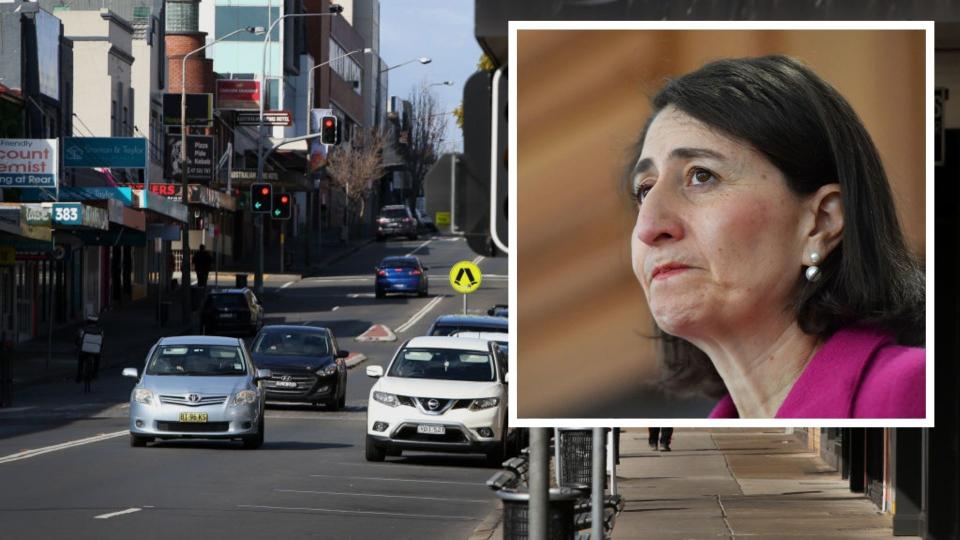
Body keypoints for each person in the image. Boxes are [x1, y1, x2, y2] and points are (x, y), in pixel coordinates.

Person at [626, 55, 925, 419]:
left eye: (701, 175)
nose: (647, 226)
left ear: (821, 223)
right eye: (644, 190)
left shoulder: (914, 391)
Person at [76, 315, 104, 390]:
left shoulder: (83, 329)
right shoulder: (100, 330)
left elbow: (79, 338)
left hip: (84, 350)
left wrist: (77, 344)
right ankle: (95, 373)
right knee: (97, 360)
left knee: (81, 361)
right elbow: (102, 341)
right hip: (95, 351)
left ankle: (79, 376)